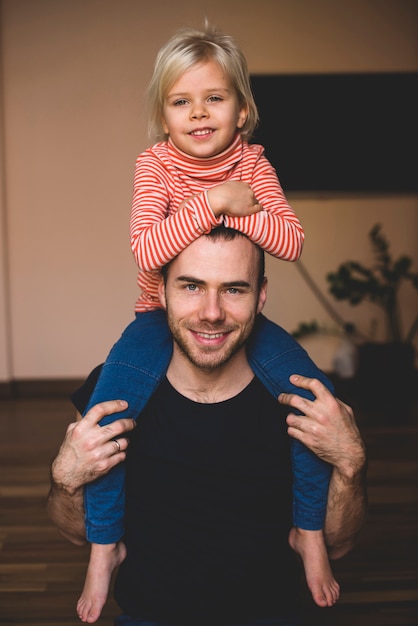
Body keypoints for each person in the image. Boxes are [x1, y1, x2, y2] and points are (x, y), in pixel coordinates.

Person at [79, 22, 336, 622]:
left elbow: (290, 240)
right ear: (164, 117)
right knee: (107, 414)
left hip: (239, 314)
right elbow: (149, 252)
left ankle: (309, 532)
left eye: (214, 98)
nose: (198, 113)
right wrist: (218, 202)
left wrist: (243, 201)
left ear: (242, 111)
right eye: (180, 101)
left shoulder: (254, 162)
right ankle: (103, 545)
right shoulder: (156, 166)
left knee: (310, 400)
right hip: (157, 317)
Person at [48, 228, 367, 626]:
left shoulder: (305, 401)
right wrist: (65, 479)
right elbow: (76, 533)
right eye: (192, 286)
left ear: (260, 295)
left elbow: (339, 544)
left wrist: (351, 463)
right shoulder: (112, 392)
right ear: (160, 292)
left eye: (234, 289)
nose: (212, 312)